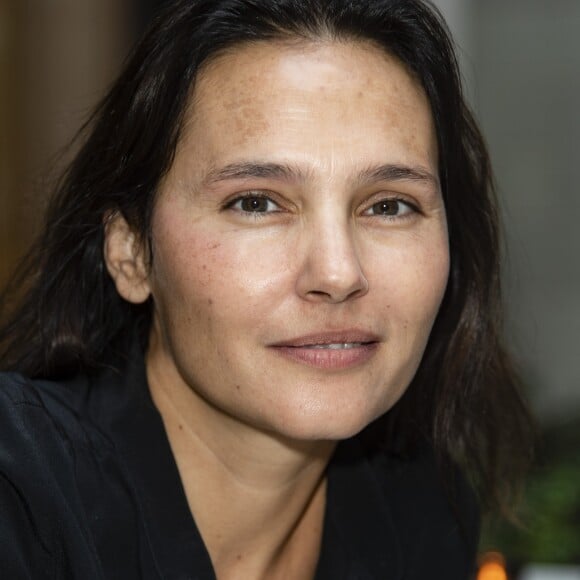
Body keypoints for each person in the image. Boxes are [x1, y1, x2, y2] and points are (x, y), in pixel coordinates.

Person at [0, 0, 533, 578]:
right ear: (129, 252)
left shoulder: (421, 508)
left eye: (389, 205)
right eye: (256, 203)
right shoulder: (20, 496)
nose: (338, 273)